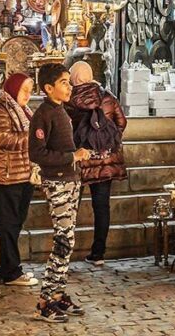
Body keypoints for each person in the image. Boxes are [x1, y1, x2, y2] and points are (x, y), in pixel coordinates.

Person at [28, 63, 92, 323]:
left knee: (68, 241)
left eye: (69, 81)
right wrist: (71, 156)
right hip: (57, 183)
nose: (69, 86)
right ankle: (44, 300)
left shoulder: (61, 112)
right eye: (64, 82)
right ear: (48, 87)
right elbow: (37, 153)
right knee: (63, 242)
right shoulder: (43, 115)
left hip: (71, 180)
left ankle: (58, 294)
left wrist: (78, 158)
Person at [65, 61, 128, 267]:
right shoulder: (107, 97)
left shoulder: (68, 99)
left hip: (80, 160)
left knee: (69, 208)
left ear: (73, 77)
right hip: (105, 159)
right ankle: (98, 253)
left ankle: (64, 251)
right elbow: (122, 122)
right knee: (102, 207)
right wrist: (107, 141)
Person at [0, 73, 38, 287]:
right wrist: (33, 138)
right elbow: (2, 138)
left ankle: (8, 269)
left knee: (16, 222)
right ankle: (12, 271)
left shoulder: (23, 110)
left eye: (30, 90)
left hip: (22, 173)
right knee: (8, 224)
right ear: (13, 88)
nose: (28, 95)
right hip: (4, 174)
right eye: (25, 90)